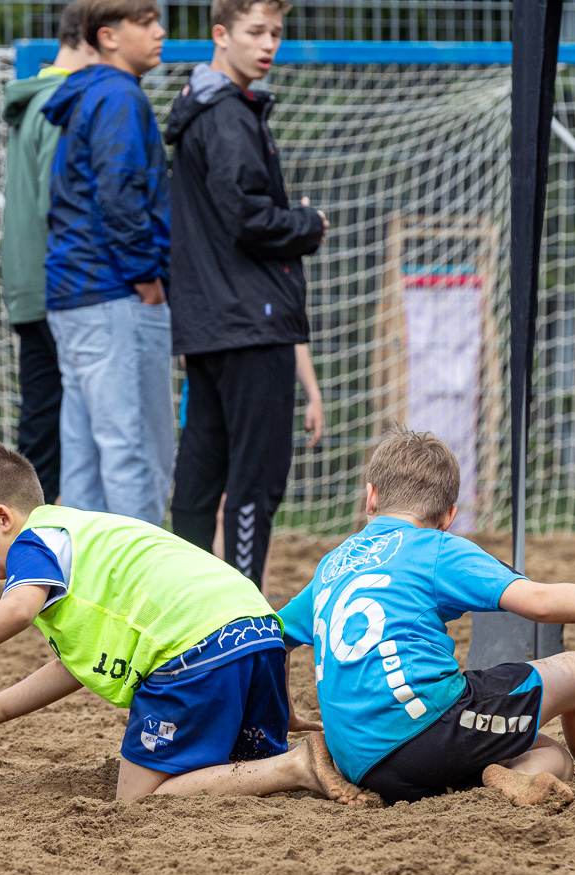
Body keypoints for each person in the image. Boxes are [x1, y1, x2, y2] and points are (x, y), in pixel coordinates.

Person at [277, 429, 575, 806]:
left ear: (370, 497)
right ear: (449, 516)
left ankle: (510, 773)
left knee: (551, 754)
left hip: (359, 761)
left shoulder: (332, 562)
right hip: (421, 736)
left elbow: (276, 635)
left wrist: (288, 713)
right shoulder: (435, 548)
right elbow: (539, 601)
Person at [0, 443, 365, 805]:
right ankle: (293, 764)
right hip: (258, 637)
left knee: (139, 798)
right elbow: (72, 669)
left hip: (197, 649)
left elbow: (14, 611)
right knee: (243, 770)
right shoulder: (81, 540)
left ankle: (299, 764)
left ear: (3, 517)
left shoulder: (36, 539)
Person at [164, 0, 327, 588]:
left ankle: (183, 603)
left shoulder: (201, 112)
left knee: (200, 476)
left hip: (210, 324)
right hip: (250, 323)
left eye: (277, 33)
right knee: (255, 481)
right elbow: (248, 216)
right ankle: (240, 612)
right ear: (220, 34)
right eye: (255, 31)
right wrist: (309, 224)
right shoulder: (228, 115)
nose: (268, 44)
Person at [40, 0, 173, 523]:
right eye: (146, 22)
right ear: (109, 36)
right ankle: (139, 595)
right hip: (113, 294)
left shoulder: (87, 94)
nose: (160, 32)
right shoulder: (118, 96)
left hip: (75, 297)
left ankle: (80, 591)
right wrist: (146, 279)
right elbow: (119, 192)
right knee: (134, 455)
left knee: (86, 463)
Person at [2, 1, 95, 500]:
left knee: (43, 422)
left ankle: (24, 553)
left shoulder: (35, 93)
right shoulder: (64, 100)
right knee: (68, 433)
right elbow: (56, 205)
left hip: (27, 281)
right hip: (61, 287)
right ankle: (32, 555)